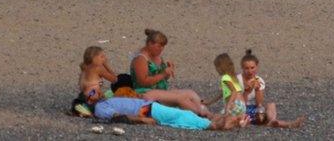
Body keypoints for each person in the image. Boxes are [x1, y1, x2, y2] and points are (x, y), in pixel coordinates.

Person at [129, 29, 209, 116]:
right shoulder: (141, 59)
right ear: (150, 44)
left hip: (161, 90)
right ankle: (202, 115)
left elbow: (162, 78)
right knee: (181, 98)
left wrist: (168, 71)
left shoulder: (157, 56)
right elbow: (143, 81)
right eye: (159, 46)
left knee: (190, 93)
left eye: (163, 46)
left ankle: (205, 112)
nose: (161, 49)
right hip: (145, 92)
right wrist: (163, 74)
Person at [237, 49, 305, 128]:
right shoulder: (237, 80)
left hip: (250, 110)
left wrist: (257, 90)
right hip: (238, 110)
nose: (250, 71)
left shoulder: (259, 80)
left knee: (271, 105)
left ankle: (272, 121)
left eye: (252, 68)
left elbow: (259, 104)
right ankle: (286, 124)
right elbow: (238, 105)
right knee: (250, 115)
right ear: (242, 68)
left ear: (257, 66)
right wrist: (246, 92)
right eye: (247, 68)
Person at [93, 97, 231, 131]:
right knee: (179, 115)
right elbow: (118, 117)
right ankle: (211, 124)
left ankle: (213, 123)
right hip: (146, 110)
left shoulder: (105, 101)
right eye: (92, 91)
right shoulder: (99, 107)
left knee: (177, 116)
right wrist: (142, 120)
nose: (97, 88)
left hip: (147, 107)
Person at [203, 53, 249, 127]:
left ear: (221, 67)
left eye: (216, 67)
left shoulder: (225, 78)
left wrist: (228, 105)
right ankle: (240, 120)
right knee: (222, 117)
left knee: (216, 119)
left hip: (234, 104)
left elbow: (234, 91)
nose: (216, 69)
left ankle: (235, 121)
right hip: (242, 106)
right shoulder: (233, 77)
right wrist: (209, 102)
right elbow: (222, 93)